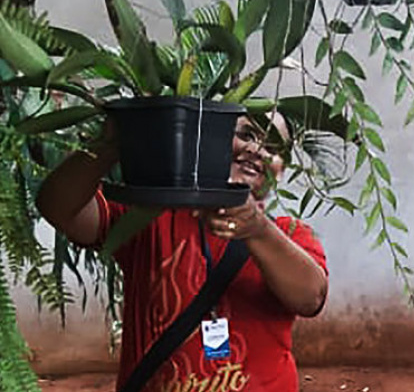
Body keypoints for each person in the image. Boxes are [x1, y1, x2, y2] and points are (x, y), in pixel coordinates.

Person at [36, 113, 328, 391]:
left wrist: (258, 229)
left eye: (274, 148)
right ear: (209, 138)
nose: (257, 150)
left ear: (281, 169)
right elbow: (58, 208)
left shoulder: (290, 234)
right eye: (246, 134)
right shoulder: (150, 217)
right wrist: (110, 144)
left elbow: (310, 298)